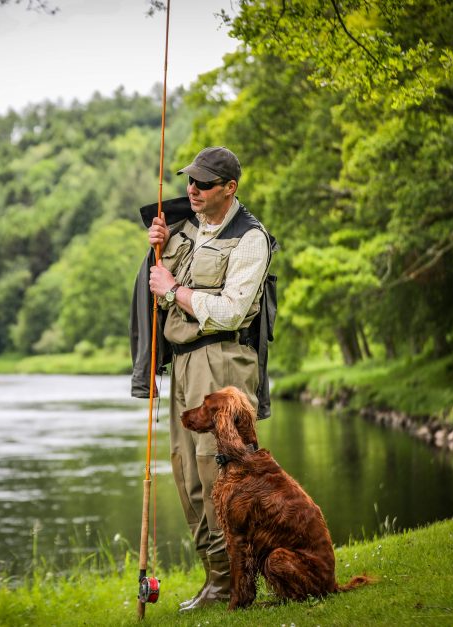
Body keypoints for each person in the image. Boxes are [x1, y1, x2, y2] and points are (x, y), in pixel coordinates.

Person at [139, 146, 274, 611]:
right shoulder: (187, 227)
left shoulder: (251, 238)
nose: (191, 190)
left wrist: (175, 290)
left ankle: (239, 578)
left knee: (221, 472)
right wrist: (157, 245)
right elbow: (159, 292)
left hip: (222, 363)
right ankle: (216, 577)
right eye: (189, 181)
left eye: (203, 184)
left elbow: (232, 310)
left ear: (229, 188)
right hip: (183, 362)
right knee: (186, 473)